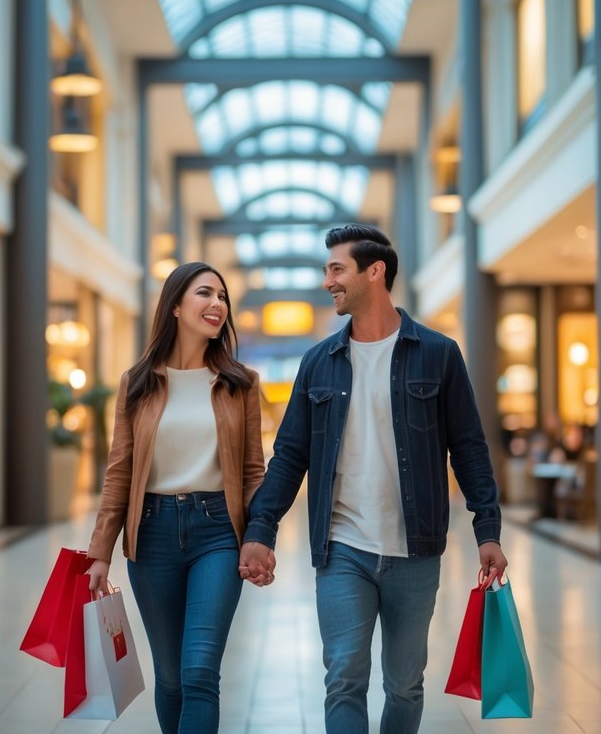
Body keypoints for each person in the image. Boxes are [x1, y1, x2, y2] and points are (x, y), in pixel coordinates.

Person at [238, 224, 507, 734]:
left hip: (416, 550)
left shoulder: (438, 353)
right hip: (342, 548)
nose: (328, 281)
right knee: (344, 677)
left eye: (336, 269)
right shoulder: (318, 362)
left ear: (375, 271)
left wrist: (487, 529)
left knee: (405, 684)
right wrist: (260, 530)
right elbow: (290, 455)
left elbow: (468, 447)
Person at [86, 261, 265, 734]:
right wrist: (99, 552)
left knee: (200, 671)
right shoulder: (139, 382)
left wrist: (260, 536)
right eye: (205, 293)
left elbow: (252, 472)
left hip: (218, 533)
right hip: (152, 534)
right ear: (175, 307)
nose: (218, 304)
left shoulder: (240, 383)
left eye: (223, 297)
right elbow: (119, 472)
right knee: (170, 678)